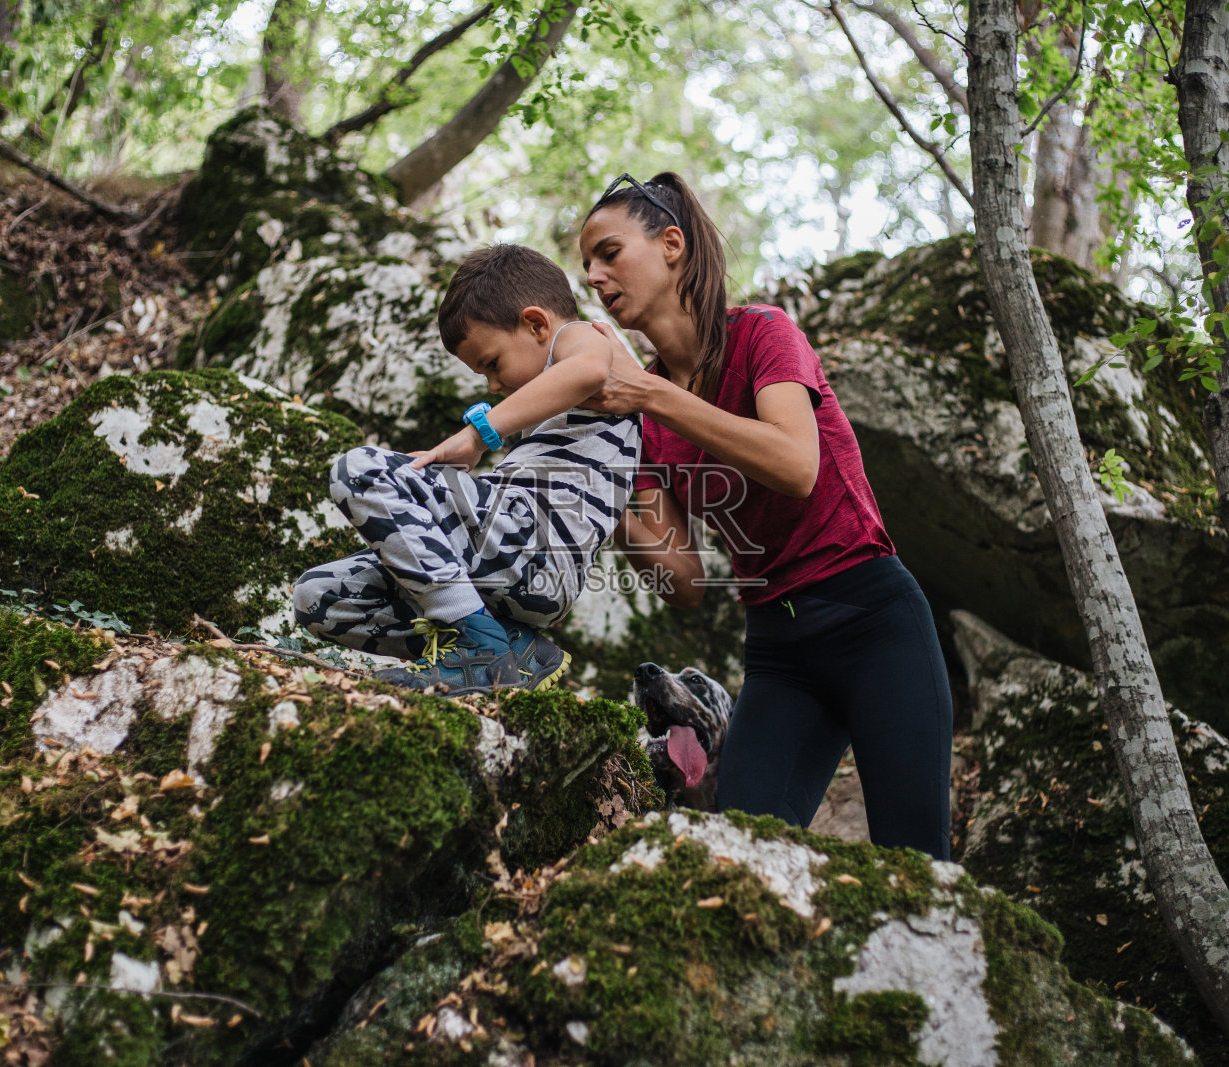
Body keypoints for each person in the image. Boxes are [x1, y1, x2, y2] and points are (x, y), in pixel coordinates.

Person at [580, 172, 953, 859]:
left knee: (918, 860)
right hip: (779, 653)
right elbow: (685, 581)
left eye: (608, 252)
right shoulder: (645, 416)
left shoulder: (764, 335)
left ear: (670, 245)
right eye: (587, 267)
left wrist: (654, 397)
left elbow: (794, 464)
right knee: (737, 855)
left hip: (874, 619)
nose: (595, 277)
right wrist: (598, 494)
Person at [292, 244, 641, 695]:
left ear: (537, 324)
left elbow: (590, 368)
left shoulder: (582, 336)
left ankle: (478, 652)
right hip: (514, 560)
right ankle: (511, 647)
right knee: (318, 596)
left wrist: (479, 435)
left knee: (358, 469)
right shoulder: (554, 397)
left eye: (492, 364)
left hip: (537, 547)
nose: (494, 385)